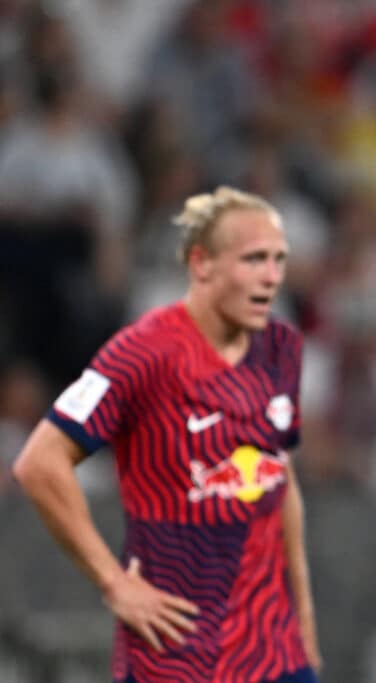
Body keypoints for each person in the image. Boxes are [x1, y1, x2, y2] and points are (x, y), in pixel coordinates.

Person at [13, 187, 322, 683]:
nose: (271, 277)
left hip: (272, 655)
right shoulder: (143, 353)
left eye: (277, 259)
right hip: (176, 654)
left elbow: (277, 479)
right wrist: (114, 583)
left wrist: (303, 616)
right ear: (202, 264)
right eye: (253, 260)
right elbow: (39, 462)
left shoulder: (281, 348)